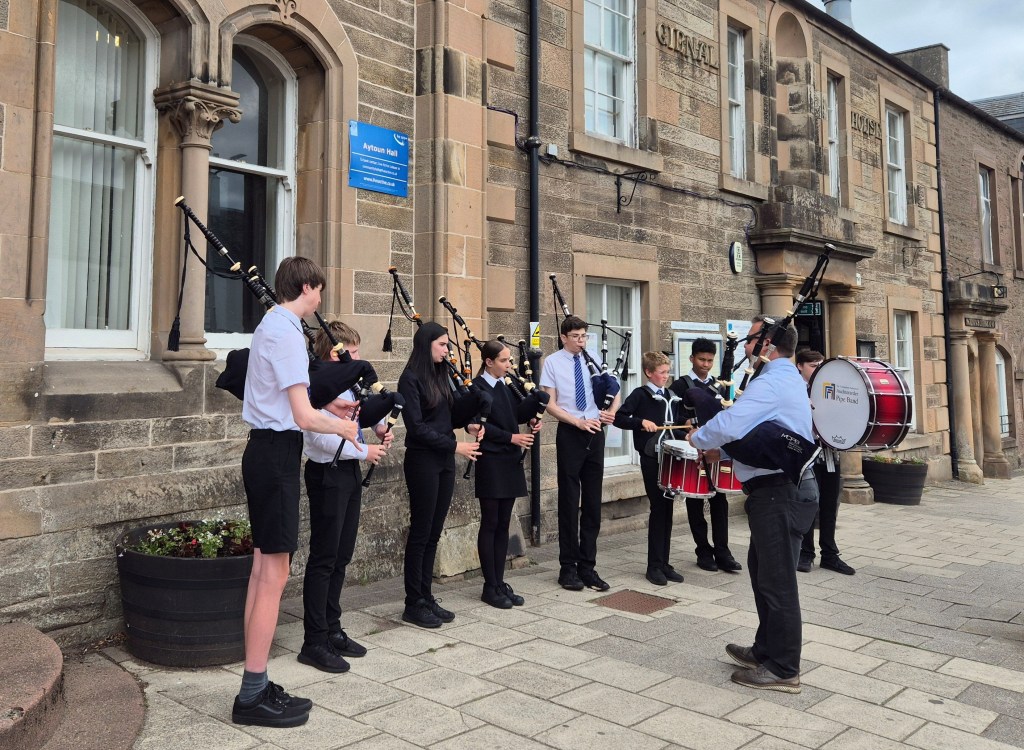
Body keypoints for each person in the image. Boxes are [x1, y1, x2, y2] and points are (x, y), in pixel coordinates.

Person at [234, 257, 359, 728]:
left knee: (263, 570)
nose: (321, 300)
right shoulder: (285, 331)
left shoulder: (275, 326)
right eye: (319, 291)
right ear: (305, 287)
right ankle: (251, 694)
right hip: (276, 455)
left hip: (269, 454)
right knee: (273, 574)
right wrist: (347, 428)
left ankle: (256, 684)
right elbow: (304, 417)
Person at [688, 316, 818, 693]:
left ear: (767, 346)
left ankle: (783, 668)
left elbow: (732, 422)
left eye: (749, 341)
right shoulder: (782, 379)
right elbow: (759, 431)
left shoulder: (774, 380)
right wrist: (721, 451)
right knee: (764, 572)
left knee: (777, 581)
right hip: (775, 490)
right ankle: (766, 650)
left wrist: (701, 438)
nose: (744, 347)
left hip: (779, 491)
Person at [299, 322, 393, 673]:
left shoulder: (351, 388)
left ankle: (332, 628)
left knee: (341, 556)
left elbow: (360, 421)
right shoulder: (319, 388)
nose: (357, 359)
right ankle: (314, 640)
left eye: (357, 352)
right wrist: (365, 452)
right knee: (324, 558)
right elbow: (318, 440)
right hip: (327, 475)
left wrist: (379, 426)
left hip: (347, 475)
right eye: (350, 353)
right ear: (331, 355)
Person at [398, 322, 485, 628]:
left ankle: (426, 595)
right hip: (423, 460)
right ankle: (413, 602)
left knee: (435, 531)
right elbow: (417, 428)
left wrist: (473, 415)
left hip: (445, 459)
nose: (448, 350)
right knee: (421, 532)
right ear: (427, 346)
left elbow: (451, 415)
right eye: (443, 345)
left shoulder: (442, 374)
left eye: (448, 345)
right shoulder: (409, 379)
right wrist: (456, 446)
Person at [540, 315, 619, 592]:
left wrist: (611, 412)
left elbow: (614, 388)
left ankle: (589, 566)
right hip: (572, 431)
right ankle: (568, 568)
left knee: (593, 502)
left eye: (584, 336)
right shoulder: (552, 362)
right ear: (563, 337)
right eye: (575, 336)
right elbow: (549, 403)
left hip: (595, 431)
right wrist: (577, 422)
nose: (581, 341)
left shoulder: (594, 358)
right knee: (570, 500)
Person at [473, 340, 543, 608]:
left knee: (503, 523)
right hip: (491, 459)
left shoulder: (505, 386)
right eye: (503, 360)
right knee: (490, 522)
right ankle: (489, 586)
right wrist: (512, 437)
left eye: (509, 360)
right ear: (489, 362)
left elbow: (516, 413)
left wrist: (534, 414)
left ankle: (499, 582)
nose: (509, 364)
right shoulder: (478, 388)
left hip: (510, 459)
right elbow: (481, 427)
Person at [668, 338, 742, 574]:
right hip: (693, 451)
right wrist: (686, 423)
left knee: (720, 502)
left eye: (710, 360)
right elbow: (673, 419)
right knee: (695, 501)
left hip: (715, 451)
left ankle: (723, 550)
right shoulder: (680, 386)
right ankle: (703, 550)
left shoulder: (722, 386)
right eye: (702, 359)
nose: (706, 364)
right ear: (692, 359)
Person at [613, 351, 685, 586]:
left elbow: (677, 426)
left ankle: (664, 563)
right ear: (648, 373)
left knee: (668, 509)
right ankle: (653, 566)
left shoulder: (672, 395)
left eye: (667, 372)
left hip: (671, 457)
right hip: (651, 457)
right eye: (662, 372)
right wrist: (640, 422)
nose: (666, 376)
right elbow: (619, 418)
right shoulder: (640, 395)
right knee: (658, 508)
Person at [795, 350, 855, 576]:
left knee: (830, 505)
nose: (817, 369)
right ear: (800, 366)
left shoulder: (830, 387)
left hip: (830, 453)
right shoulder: (795, 390)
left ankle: (829, 554)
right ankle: (806, 552)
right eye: (812, 365)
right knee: (810, 503)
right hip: (808, 454)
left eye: (820, 365)